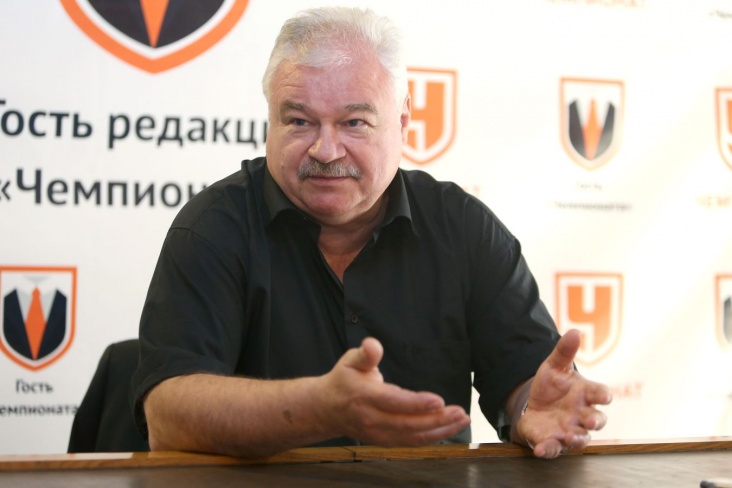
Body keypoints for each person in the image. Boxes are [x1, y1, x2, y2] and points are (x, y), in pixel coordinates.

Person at [130, 6, 611, 460]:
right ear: (270, 121)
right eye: (299, 121)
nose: (325, 149)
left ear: (402, 122)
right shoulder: (213, 228)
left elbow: (524, 380)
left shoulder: (463, 228)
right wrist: (317, 409)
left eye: (353, 122)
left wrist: (531, 408)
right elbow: (168, 418)